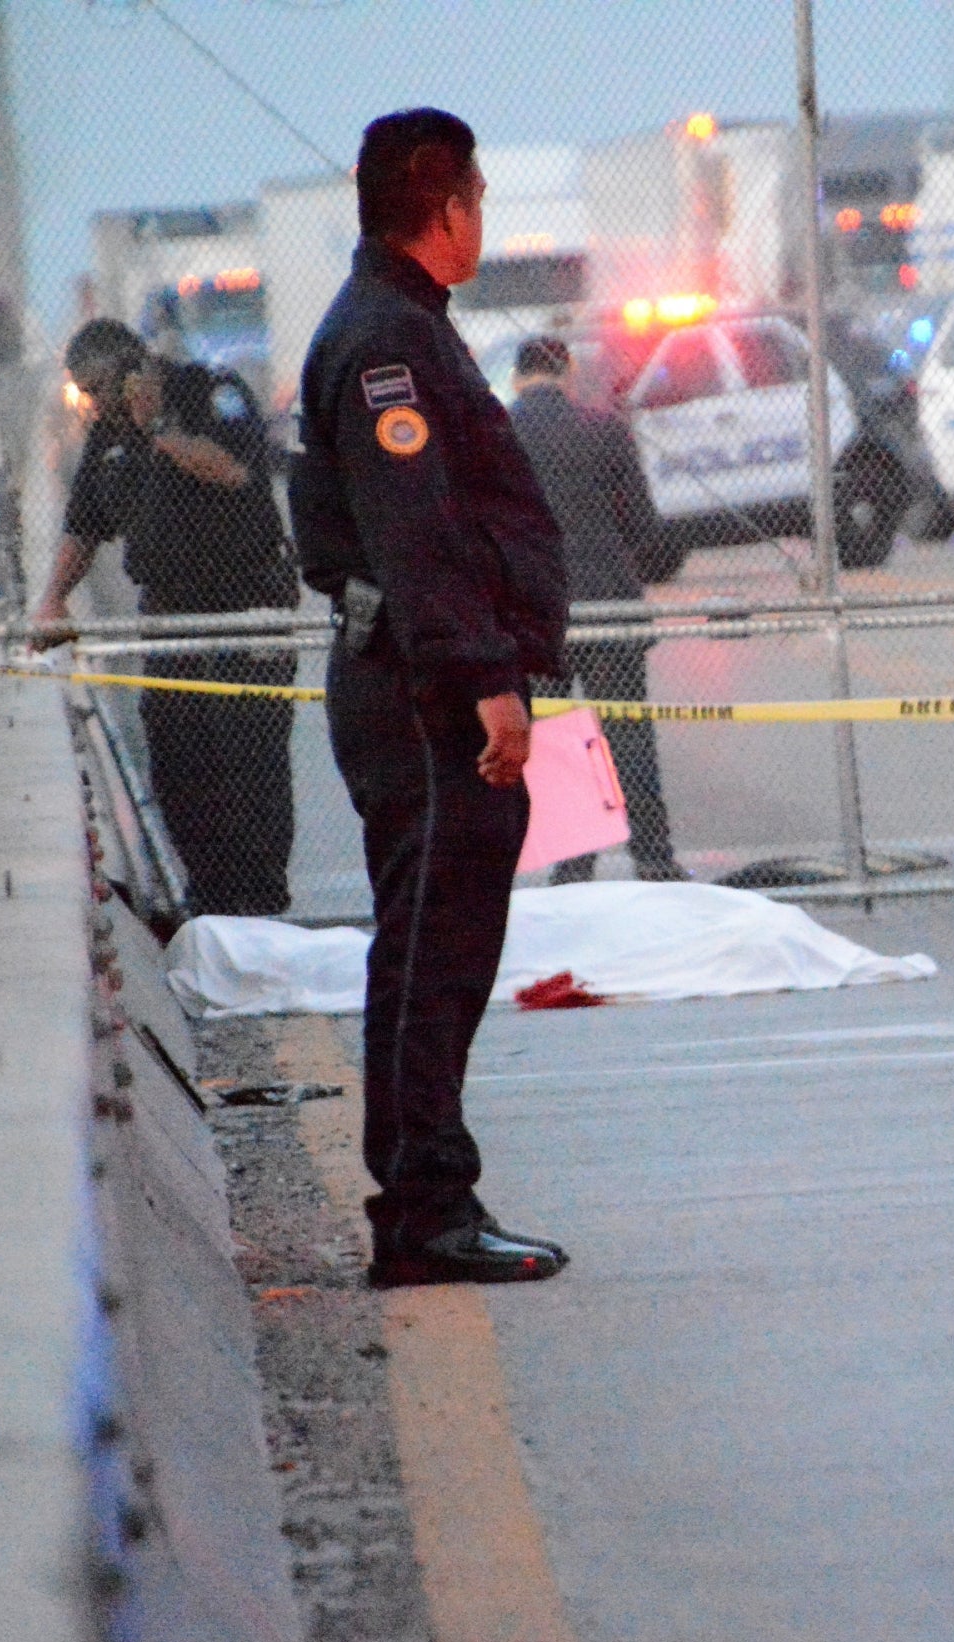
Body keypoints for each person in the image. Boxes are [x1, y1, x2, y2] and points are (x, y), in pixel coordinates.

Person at [289, 108, 572, 1288]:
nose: (482, 215)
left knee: (443, 947)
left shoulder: (403, 325)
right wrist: (486, 679)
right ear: (445, 207)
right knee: (428, 951)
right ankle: (420, 1210)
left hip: (425, 674)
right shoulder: (387, 345)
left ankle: (432, 1195)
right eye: (478, 197)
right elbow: (419, 538)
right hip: (421, 690)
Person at [37, 319, 297, 917]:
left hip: (241, 606)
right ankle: (208, 897)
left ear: (132, 372)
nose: (93, 404)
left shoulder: (209, 393)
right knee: (180, 760)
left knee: (248, 759)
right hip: (169, 611)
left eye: (98, 389)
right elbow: (84, 525)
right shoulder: (109, 435)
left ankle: (260, 902)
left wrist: (157, 427)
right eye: (84, 393)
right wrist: (53, 598)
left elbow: (232, 470)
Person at [509, 335, 689, 883]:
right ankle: (653, 859)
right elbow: (643, 526)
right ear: (567, 372)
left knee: (558, 736)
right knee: (628, 730)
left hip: (537, 611)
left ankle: (574, 868)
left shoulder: (496, 433)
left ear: (517, 378)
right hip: (608, 600)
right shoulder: (605, 427)